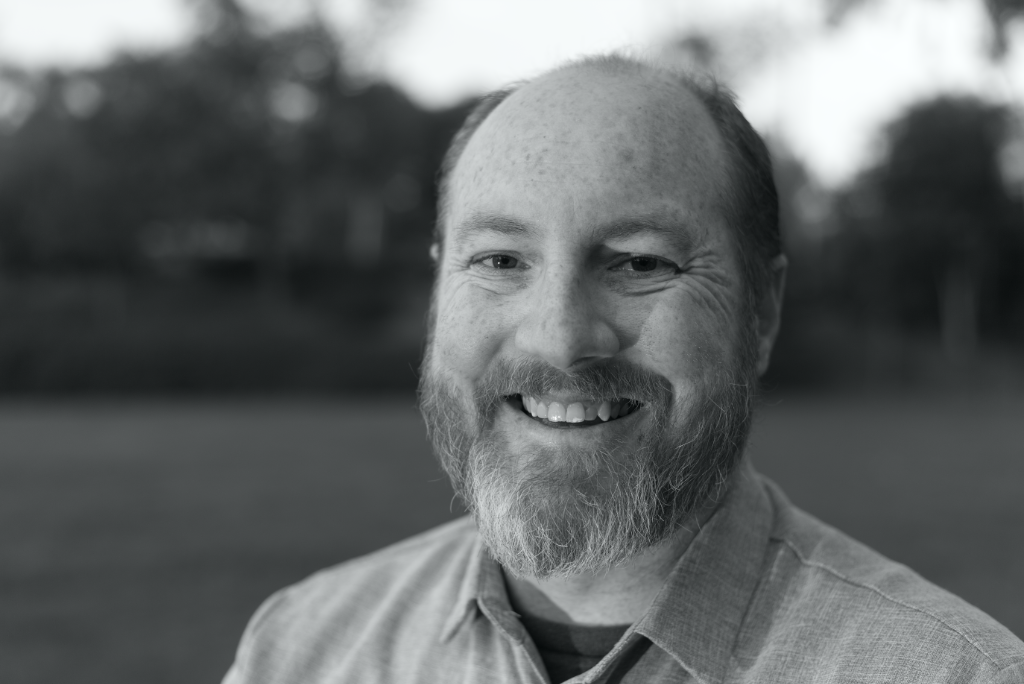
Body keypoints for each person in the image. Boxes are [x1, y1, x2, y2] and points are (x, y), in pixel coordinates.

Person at [222, 54, 1024, 683]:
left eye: (640, 263)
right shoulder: (301, 648)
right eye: (501, 259)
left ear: (762, 311)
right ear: (438, 291)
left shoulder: (955, 674)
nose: (561, 340)